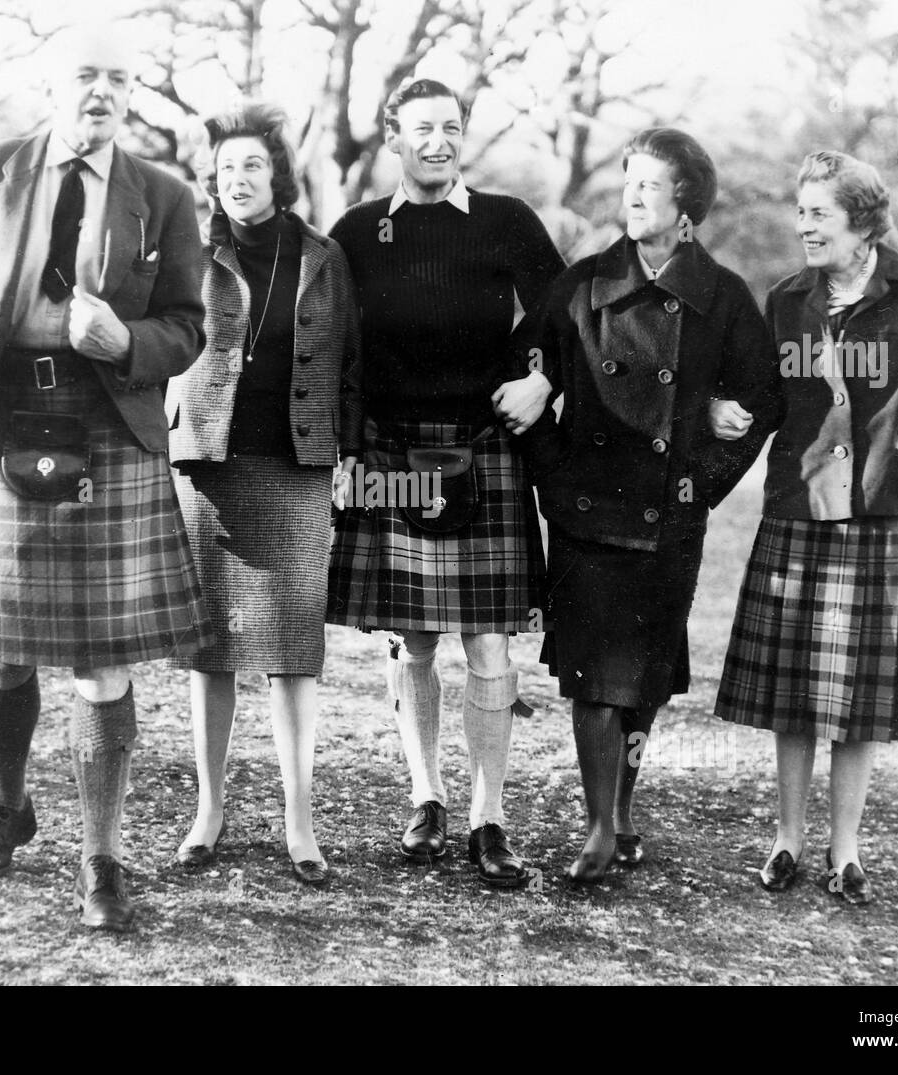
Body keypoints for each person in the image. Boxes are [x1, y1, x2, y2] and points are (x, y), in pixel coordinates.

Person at [0, 23, 211, 932]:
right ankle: (6, 807)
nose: (101, 92)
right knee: (4, 649)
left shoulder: (164, 195)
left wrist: (127, 339)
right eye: (85, 75)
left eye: (118, 79)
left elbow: (189, 325)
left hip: (108, 420)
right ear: (54, 86)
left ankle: (103, 856)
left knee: (102, 656)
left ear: (131, 93)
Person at [712, 150, 898, 904]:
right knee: (793, 688)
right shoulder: (786, 299)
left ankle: (846, 849)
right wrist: (725, 410)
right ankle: (788, 838)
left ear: (862, 221)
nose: (804, 226)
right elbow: (765, 394)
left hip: (879, 509)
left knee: (858, 693)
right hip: (799, 507)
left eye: (819, 213)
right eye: (800, 212)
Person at [523, 128, 780, 882]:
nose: (631, 196)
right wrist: (555, 474)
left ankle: (623, 807)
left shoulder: (723, 295)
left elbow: (763, 399)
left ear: (686, 206)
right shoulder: (582, 284)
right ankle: (599, 827)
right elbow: (523, 377)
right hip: (586, 512)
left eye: (649, 185)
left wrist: (700, 475)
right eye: (627, 181)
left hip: (670, 514)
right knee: (592, 676)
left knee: (643, 677)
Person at [326, 77, 565, 887]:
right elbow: (339, 349)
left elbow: (566, 313)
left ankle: (487, 814)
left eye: (451, 127)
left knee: (489, 642)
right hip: (390, 451)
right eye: (421, 128)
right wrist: (345, 450)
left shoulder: (507, 220)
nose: (438, 141)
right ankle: (425, 795)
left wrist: (542, 378)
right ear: (393, 135)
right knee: (414, 637)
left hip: (483, 445)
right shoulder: (358, 231)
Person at [166, 103, 362, 886]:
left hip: (296, 466)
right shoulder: (188, 253)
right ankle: (209, 810)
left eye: (252, 165)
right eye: (225, 169)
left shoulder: (324, 256)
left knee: (293, 653)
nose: (238, 179)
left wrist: (350, 454)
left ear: (279, 176)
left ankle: (299, 818)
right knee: (209, 648)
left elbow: (351, 362)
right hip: (206, 467)